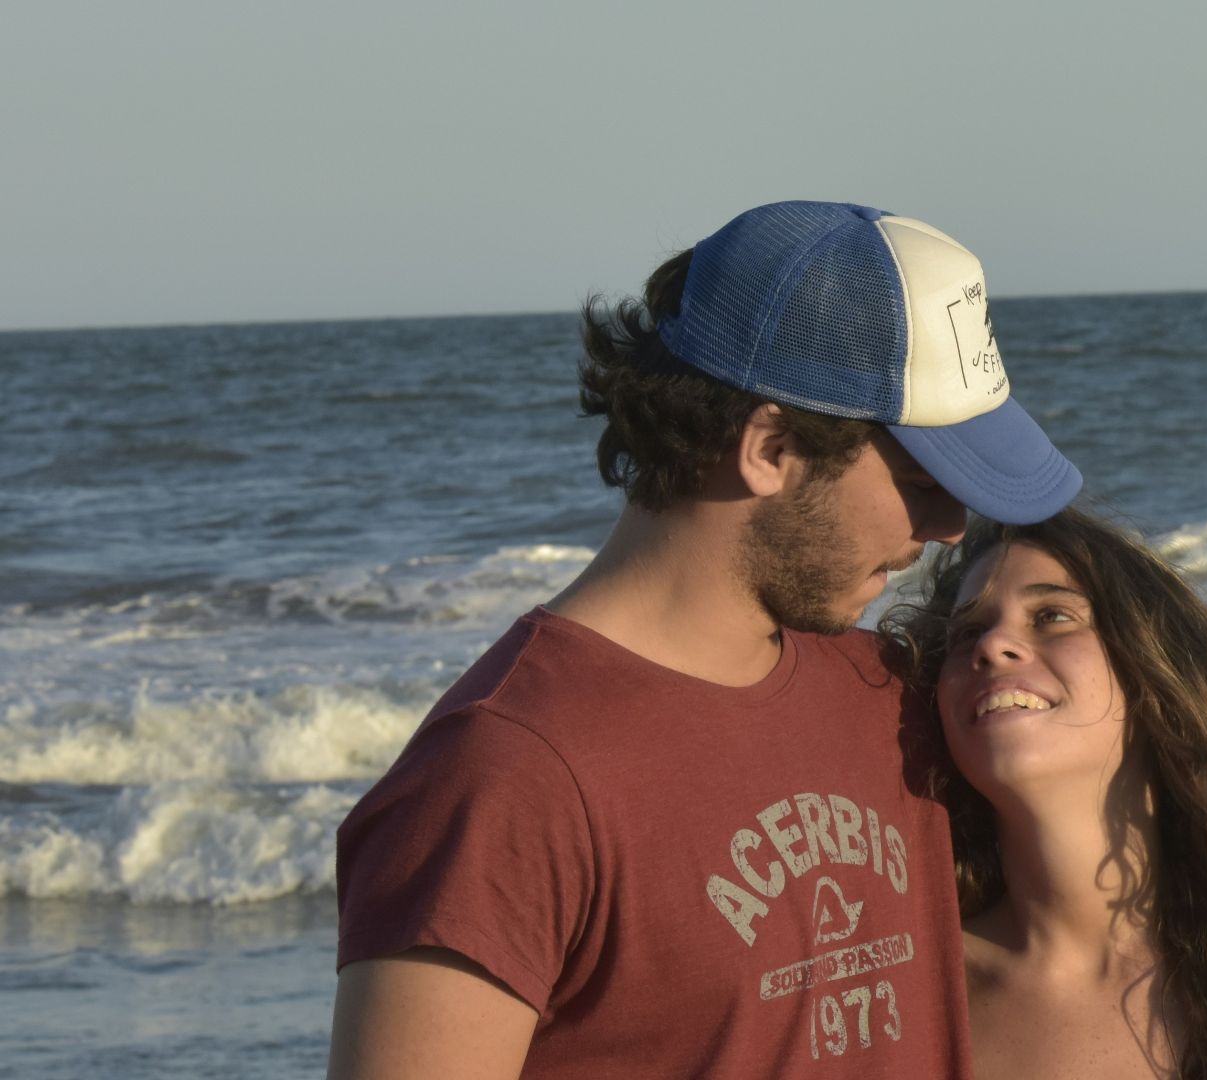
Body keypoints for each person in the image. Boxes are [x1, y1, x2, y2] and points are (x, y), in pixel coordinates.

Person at [327, 201, 1081, 1079]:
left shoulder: (893, 698)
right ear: (770, 448)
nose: (951, 527)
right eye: (922, 483)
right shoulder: (502, 782)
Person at [885, 507, 1207, 1080]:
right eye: (966, 633)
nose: (992, 645)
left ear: (1153, 673)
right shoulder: (905, 997)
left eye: (1053, 616)